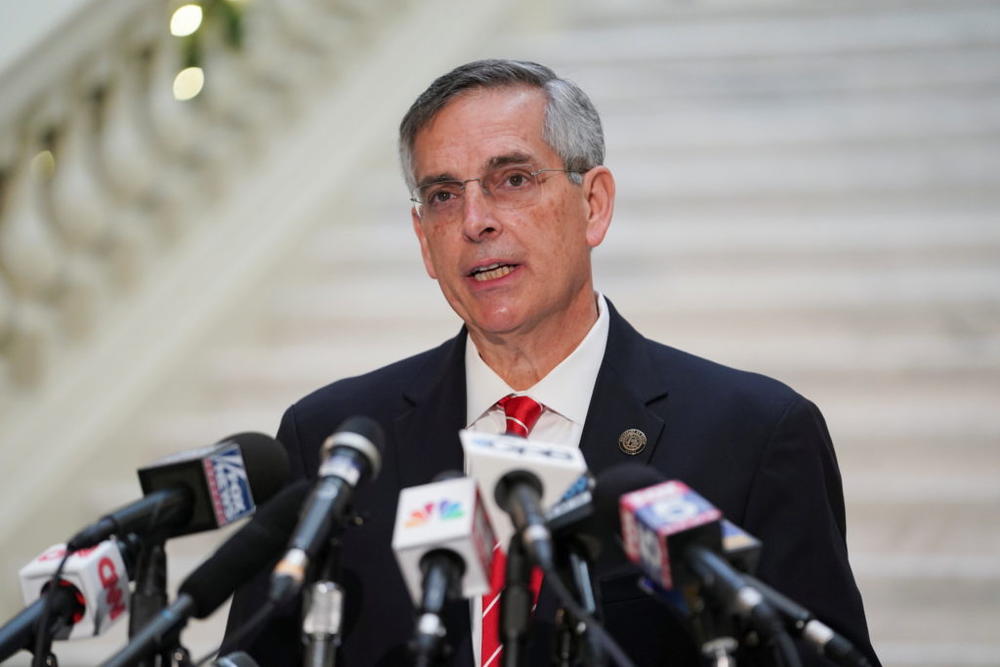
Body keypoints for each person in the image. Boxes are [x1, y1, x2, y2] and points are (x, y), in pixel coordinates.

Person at [225, 59, 879, 667]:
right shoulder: (331, 438)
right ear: (424, 239)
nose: (476, 220)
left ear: (593, 205)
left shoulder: (755, 435)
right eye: (445, 196)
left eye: (513, 179)